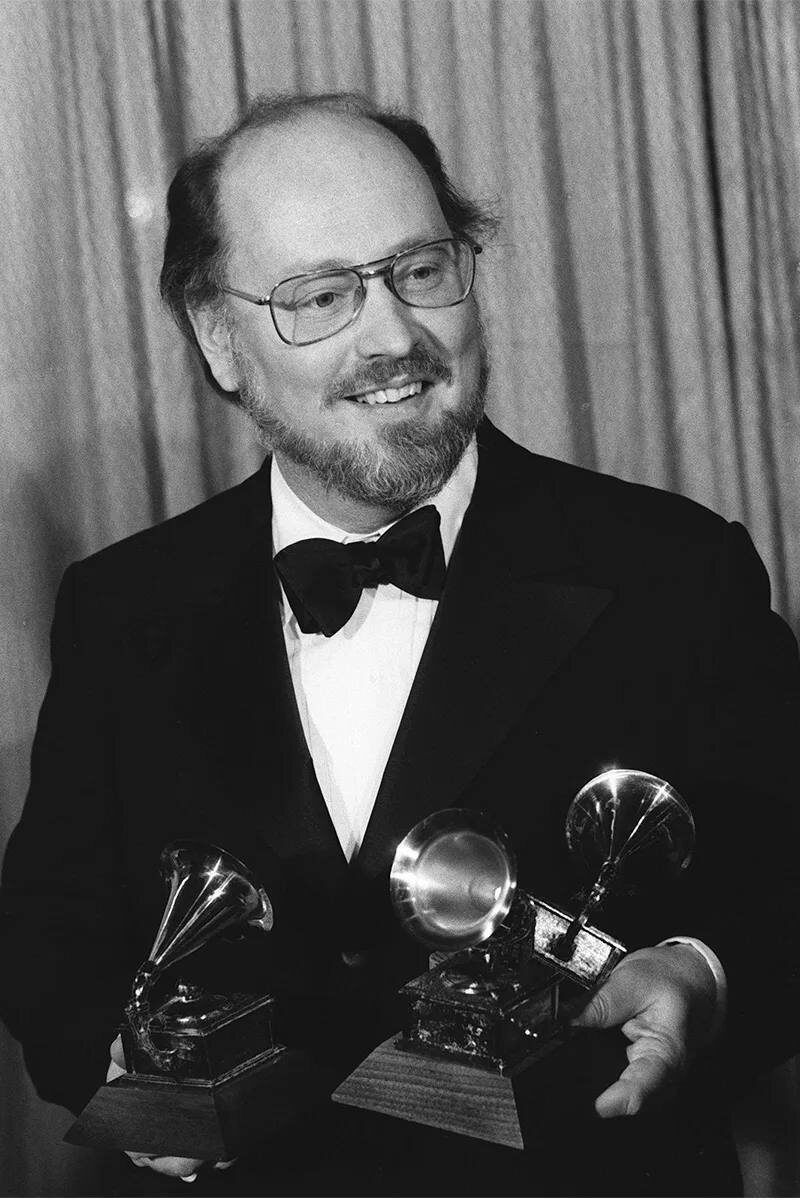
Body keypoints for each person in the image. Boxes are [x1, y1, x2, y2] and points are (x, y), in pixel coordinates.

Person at [1, 90, 799, 1198]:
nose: (392, 337)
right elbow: (51, 929)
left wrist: (704, 977)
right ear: (218, 339)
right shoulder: (120, 604)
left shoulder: (678, 570)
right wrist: (120, 1071)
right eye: (320, 296)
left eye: (419, 270)